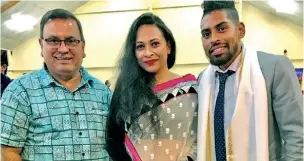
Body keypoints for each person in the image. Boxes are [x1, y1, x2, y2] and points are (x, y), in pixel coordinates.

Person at [197, 1, 303, 161]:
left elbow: (297, 136)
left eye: (222, 29)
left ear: (240, 30)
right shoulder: (203, 80)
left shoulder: (273, 68)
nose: (214, 39)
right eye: (206, 34)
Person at [1, 9, 112, 161]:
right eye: (53, 40)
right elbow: (9, 153)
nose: (63, 49)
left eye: (71, 40)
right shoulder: (19, 92)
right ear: (41, 45)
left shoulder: (103, 93)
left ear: (83, 47)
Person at [106, 12, 198, 161]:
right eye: (140, 46)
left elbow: (201, 140)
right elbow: (114, 142)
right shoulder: (126, 92)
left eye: (154, 44)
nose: (147, 53)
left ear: (168, 46)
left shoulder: (191, 90)